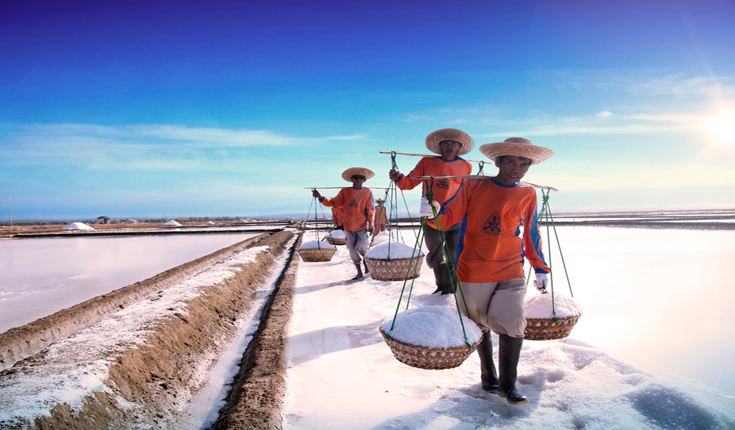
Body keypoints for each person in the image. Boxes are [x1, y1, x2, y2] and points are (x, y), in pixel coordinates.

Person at [421, 137, 553, 405]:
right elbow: (448, 217)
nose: (518, 167)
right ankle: (488, 375)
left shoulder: (528, 193)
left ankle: (508, 385)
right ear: (498, 162)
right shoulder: (473, 186)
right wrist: (432, 211)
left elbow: (531, 232)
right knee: (479, 323)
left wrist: (539, 266)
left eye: (524, 162)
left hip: (511, 267)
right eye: (512, 161)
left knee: (513, 322)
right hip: (473, 268)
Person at [389, 128, 474, 295]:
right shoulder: (426, 162)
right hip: (431, 216)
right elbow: (409, 183)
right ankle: (441, 286)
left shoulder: (466, 166)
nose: (450, 147)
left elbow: (468, 191)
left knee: (455, 253)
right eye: (446, 143)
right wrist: (398, 177)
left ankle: (451, 289)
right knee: (435, 253)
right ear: (439, 146)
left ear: (459, 147)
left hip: (457, 217)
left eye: (454, 144)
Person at [312, 167, 375, 280]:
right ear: (352, 179)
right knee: (351, 249)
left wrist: (371, 226)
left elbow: (370, 210)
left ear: (364, 180)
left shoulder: (367, 192)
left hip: (361, 225)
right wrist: (320, 197)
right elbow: (332, 202)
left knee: (361, 246)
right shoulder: (345, 191)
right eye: (355, 178)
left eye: (361, 178)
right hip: (348, 226)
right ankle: (359, 272)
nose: (358, 180)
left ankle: (366, 265)